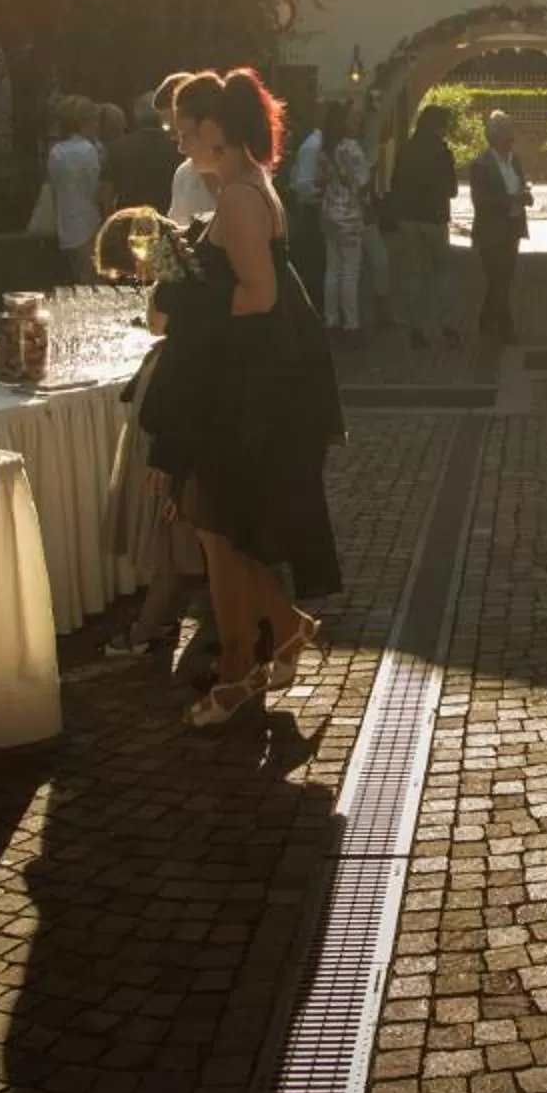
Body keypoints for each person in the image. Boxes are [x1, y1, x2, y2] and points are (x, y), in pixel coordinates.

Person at [139, 69, 345, 730]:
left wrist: (186, 300)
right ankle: (280, 630)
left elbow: (258, 295)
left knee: (221, 530)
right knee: (220, 529)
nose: (180, 144)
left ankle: (238, 666)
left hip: (248, 391)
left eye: (185, 131)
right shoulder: (243, 187)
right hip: (245, 383)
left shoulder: (240, 198)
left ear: (216, 130)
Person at [387, 106, 464, 349]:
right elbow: (452, 190)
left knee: (413, 273)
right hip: (434, 218)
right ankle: (444, 322)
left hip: (408, 219)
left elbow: (394, 183)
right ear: (438, 126)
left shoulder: (406, 149)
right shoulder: (442, 152)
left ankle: (416, 328)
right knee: (442, 271)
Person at [466, 110, 530, 343]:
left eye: (511, 132)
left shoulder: (515, 161)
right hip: (491, 230)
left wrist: (525, 196)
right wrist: (511, 200)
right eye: (507, 133)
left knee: (504, 279)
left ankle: (486, 319)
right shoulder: (481, 165)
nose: (511, 138)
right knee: (498, 278)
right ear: (494, 138)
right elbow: (481, 201)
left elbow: (521, 185)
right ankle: (506, 326)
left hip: (512, 228)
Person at [319, 104, 373, 340]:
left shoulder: (326, 148)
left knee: (332, 269)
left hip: (329, 212)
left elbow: (321, 179)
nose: (357, 122)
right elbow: (362, 181)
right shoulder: (352, 149)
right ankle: (351, 323)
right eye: (352, 118)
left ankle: (331, 319)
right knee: (351, 271)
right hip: (350, 215)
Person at [47, 94, 107, 284]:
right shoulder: (89, 150)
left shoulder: (56, 151)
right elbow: (96, 189)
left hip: (65, 225)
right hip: (89, 225)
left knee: (77, 278)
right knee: (94, 282)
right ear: (87, 122)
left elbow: (54, 187)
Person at [285, 101, 336, 323]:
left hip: (315, 210)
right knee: (313, 263)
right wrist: (324, 191)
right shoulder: (312, 147)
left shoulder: (317, 145)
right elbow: (303, 186)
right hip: (309, 212)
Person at [109, 76, 184, 216]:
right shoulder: (178, 146)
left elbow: (105, 192)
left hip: (129, 217)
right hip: (167, 214)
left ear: (136, 115)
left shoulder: (118, 147)